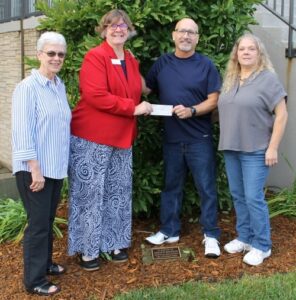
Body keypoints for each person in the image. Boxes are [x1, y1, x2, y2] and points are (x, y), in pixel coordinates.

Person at [68, 9, 152, 271]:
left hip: (122, 137)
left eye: (123, 26)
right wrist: (133, 108)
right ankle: (88, 250)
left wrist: (142, 101)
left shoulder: (130, 58)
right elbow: (95, 95)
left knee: (118, 192)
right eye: (113, 26)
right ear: (103, 30)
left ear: (129, 31)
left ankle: (114, 243)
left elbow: (137, 90)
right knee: (89, 194)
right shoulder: (95, 57)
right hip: (92, 136)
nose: (118, 29)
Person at [144, 18, 221, 258]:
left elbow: (214, 99)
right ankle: (169, 230)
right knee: (171, 187)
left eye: (191, 32)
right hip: (172, 138)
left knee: (206, 188)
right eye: (182, 31)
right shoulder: (162, 64)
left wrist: (192, 111)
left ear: (197, 38)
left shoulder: (206, 65)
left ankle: (211, 235)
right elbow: (145, 89)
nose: (186, 36)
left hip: (200, 138)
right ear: (173, 35)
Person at [218, 33, 288, 266]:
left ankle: (262, 245)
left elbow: (282, 115)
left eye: (251, 49)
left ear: (260, 54)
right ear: (236, 54)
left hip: (256, 150)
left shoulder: (267, 79)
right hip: (231, 147)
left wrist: (273, 148)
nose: (246, 52)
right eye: (242, 49)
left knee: (253, 197)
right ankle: (245, 237)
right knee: (238, 196)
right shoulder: (231, 79)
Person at [11, 32, 71, 296]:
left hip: (54, 167)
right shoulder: (27, 88)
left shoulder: (59, 86)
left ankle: (45, 263)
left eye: (60, 54)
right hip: (34, 170)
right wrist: (35, 168)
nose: (56, 58)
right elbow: (23, 132)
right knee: (37, 224)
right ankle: (34, 280)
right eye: (51, 53)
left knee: (46, 220)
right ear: (39, 55)